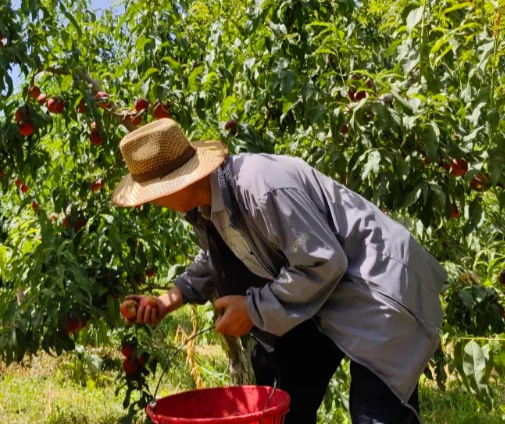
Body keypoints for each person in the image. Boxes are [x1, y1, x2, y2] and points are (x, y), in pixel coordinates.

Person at [111, 118, 446, 424]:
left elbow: (323, 260)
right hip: (327, 298)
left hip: (376, 290)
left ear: (173, 186)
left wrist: (254, 310)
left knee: (376, 415)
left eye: (150, 195)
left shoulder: (259, 188)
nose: (149, 203)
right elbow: (216, 258)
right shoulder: (208, 208)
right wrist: (168, 300)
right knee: (282, 402)